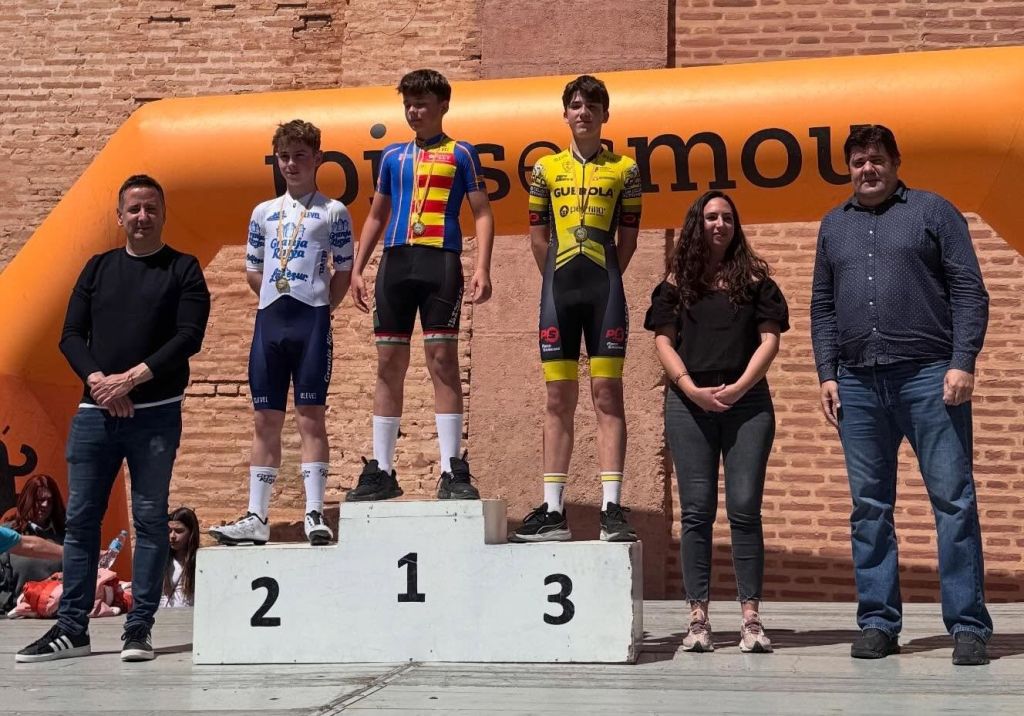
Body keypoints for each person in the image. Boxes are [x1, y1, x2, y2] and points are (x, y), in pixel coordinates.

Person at [810, 125, 992, 666]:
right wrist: (827, 373)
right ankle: (878, 623)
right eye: (858, 161)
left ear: (895, 162)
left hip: (929, 378)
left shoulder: (934, 212)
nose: (867, 169)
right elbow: (822, 306)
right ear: (848, 168)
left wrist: (963, 362)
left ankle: (968, 627)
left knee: (953, 502)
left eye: (876, 159)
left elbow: (969, 290)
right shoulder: (833, 225)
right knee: (869, 508)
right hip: (858, 383)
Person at [16, 174, 210, 663]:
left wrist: (132, 380)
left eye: (151, 208)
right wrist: (100, 382)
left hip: (155, 416)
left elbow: (188, 336)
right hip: (95, 414)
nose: (142, 216)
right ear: (120, 216)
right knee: (81, 521)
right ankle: (71, 629)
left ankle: (138, 629)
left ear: (163, 215)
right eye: (134, 209)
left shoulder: (183, 269)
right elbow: (70, 335)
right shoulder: (97, 268)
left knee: (149, 520)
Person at [645, 191, 788, 653]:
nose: (719, 224)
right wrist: (690, 389)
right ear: (697, 224)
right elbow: (663, 342)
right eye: (710, 217)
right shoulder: (675, 285)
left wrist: (741, 387)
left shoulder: (757, 282)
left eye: (727, 217)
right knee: (697, 512)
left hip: (748, 404)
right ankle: (698, 619)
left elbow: (769, 341)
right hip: (690, 405)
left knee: (745, 509)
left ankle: (751, 619)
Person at [348, 69, 494, 501]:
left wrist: (483, 267)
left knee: (442, 361)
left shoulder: (462, 153)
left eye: (422, 103)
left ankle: (451, 470)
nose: (414, 111)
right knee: (388, 364)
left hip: (440, 262)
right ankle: (382, 469)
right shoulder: (393, 155)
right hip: (396, 263)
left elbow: (482, 212)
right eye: (408, 104)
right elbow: (376, 215)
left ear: (443, 106)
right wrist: (358, 268)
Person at [510, 75, 641, 543]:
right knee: (557, 399)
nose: (584, 112)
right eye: (577, 105)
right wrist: (556, 280)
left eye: (593, 106)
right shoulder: (545, 169)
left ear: (605, 114)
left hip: (605, 291)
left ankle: (611, 509)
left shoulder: (625, 169)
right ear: (565, 113)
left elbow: (628, 239)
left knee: (607, 394)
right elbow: (538, 239)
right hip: (558, 293)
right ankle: (553, 510)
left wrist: (607, 276)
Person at [210, 120, 353, 546]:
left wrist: (323, 309)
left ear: (318, 159)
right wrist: (278, 299)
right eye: (284, 157)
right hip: (269, 322)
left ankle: (314, 512)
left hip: (312, 322)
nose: (291, 164)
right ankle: (257, 516)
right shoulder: (262, 212)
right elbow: (253, 270)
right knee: (264, 419)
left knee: (311, 417)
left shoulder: (333, 211)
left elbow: (344, 270)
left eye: (300, 156)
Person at [0, 474, 66, 612]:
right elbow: (31, 546)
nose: (45, 505)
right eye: (40, 500)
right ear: (27, 500)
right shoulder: (7, 534)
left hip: (55, 612)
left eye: (50, 501)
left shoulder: (65, 536)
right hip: (14, 614)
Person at [161, 507, 198, 608]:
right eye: (169, 531)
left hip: (188, 614)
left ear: (191, 533)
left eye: (179, 531)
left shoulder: (200, 562)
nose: (172, 536)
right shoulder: (162, 560)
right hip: (164, 614)